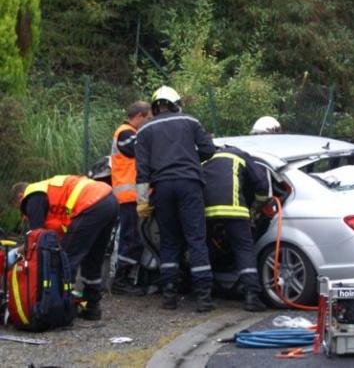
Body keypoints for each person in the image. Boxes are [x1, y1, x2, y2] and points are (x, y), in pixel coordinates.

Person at [134, 85, 216, 312]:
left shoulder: (143, 130)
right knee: (196, 239)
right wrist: (190, 158)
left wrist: (142, 202)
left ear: (155, 106)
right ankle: (203, 298)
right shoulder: (191, 122)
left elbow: (141, 170)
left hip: (162, 188)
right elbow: (209, 150)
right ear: (175, 103)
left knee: (169, 241)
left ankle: (169, 294)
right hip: (189, 185)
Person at [11, 176, 119, 320]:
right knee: (93, 258)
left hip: (90, 203)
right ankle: (92, 308)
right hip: (109, 200)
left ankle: (60, 309)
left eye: (20, 209)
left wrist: (17, 253)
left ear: (20, 197)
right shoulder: (48, 191)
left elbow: (36, 237)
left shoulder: (32, 195)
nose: (25, 214)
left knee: (64, 260)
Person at [202, 145, 270, 312]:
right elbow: (261, 183)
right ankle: (251, 296)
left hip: (206, 211)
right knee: (244, 249)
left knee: (204, 248)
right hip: (234, 209)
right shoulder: (240, 154)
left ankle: (205, 293)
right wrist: (258, 205)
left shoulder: (204, 159)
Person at [110, 100, 151, 295]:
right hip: (129, 197)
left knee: (134, 238)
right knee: (131, 238)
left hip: (132, 196)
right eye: (149, 119)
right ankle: (121, 281)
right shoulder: (126, 134)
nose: (149, 123)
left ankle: (127, 279)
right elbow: (143, 152)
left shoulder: (128, 133)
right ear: (140, 116)